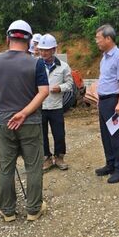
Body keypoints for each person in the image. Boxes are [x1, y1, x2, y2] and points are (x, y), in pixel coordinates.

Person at [0, 20, 49, 222]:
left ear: (7, 38)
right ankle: (33, 209)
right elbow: (44, 92)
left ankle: (8, 211)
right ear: (29, 42)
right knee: (33, 166)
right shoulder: (36, 62)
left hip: (4, 122)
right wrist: (24, 113)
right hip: (29, 122)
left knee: (5, 166)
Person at [93, 24, 119, 184]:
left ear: (108, 38)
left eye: (98, 38)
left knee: (116, 136)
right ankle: (111, 164)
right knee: (106, 135)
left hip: (114, 101)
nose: (97, 42)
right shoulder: (105, 57)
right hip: (104, 101)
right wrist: (99, 98)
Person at [37, 33, 74, 171]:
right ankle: (46, 158)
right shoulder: (36, 65)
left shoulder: (63, 67)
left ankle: (59, 157)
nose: (43, 52)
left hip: (56, 106)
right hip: (40, 106)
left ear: (54, 50)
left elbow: (70, 84)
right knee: (42, 133)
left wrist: (60, 88)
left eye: (46, 50)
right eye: (41, 50)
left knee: (59, 133)